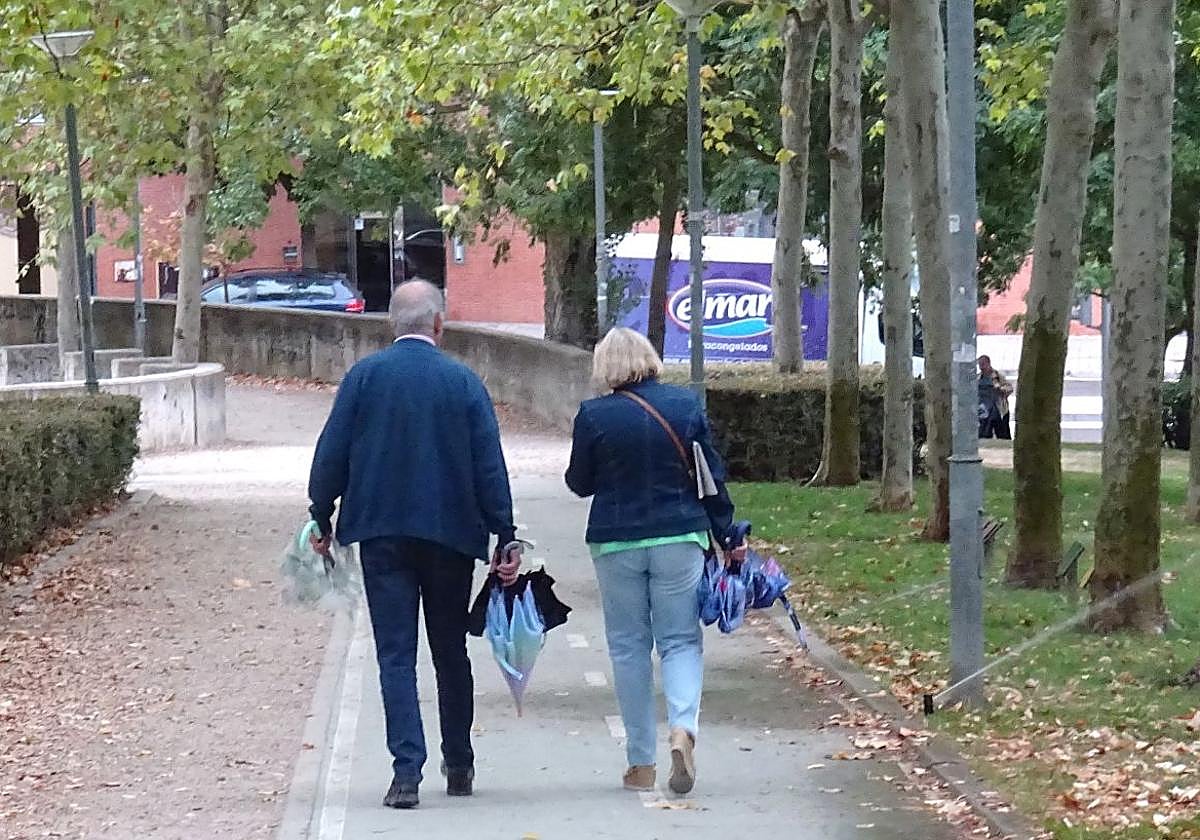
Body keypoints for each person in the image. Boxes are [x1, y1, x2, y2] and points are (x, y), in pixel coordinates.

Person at [307, 280, 523, 810]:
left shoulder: (364, 379)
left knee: (396, 655)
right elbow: (488, 464)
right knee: (450, 651)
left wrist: (322, 512)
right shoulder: (463, 382)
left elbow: (331, 451)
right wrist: (504, 532)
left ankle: (406, 773)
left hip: (381, 532)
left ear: (391, 326)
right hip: (451, 535)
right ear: (439, 324)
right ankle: (460, 762)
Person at [564, 328, 745, 796]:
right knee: (681, 641)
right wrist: (728, 533)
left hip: (615, 541)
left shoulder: (593, 414)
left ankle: (639, 762)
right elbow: (710, 479)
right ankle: (683, 728)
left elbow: (579, 483)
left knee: (628, 646)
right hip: (679, 535)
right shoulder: (685, 407)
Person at [977, 355, 1013, 440]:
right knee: (983, 434)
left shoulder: (997, 376)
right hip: (983, 410)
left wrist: (1001, 389)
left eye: (983, 364)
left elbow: (1009, 388)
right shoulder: (978, 378)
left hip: (999, 409)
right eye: (979, 364)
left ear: (988, 363)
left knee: (1003, 434)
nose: (981, 367)